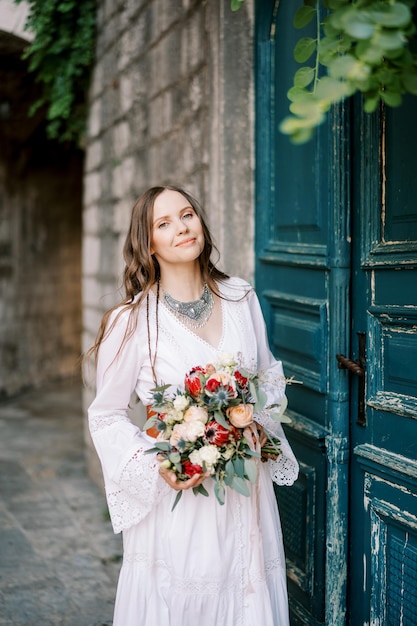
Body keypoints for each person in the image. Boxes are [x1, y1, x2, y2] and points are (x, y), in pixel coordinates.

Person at [86, 185, 299, 626]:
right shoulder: (133, 321)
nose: (182, 227)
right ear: (148, 245)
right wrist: (156, 466)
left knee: (245, 594)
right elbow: (105, 415)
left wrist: (255, 419)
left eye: (187, 215)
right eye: (164, 223)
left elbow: (270, 373)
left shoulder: (241, 297)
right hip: (180, 498)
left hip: (245, 494)